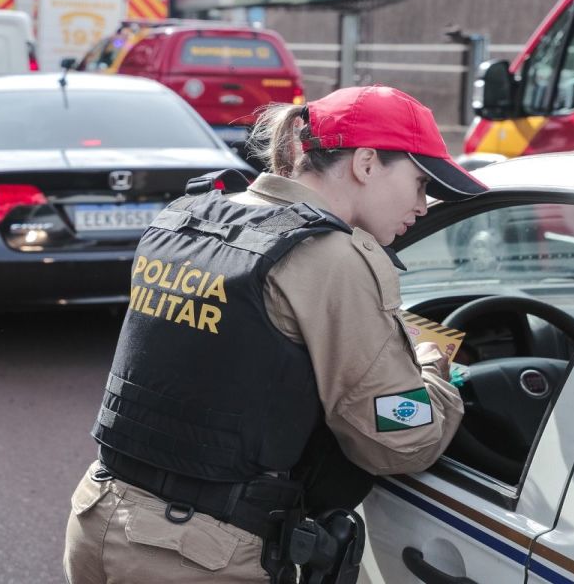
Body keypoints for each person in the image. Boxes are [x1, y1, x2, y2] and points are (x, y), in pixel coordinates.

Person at [64, 86, 487, 583]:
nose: (423, 204)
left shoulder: (190, 215)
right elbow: (400, 440)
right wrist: (434, 372)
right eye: (420, 183)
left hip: (98, 514)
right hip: (196, 555)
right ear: (367, 163)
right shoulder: (332, 257)